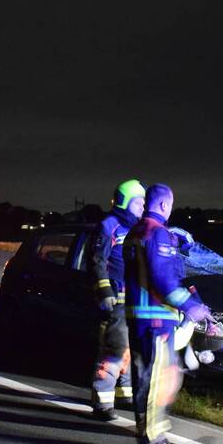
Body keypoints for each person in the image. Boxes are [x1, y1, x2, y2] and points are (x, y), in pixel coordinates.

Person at [124, 183, 213, 444]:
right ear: (164, 205)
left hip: (138, 315)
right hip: (156, 320)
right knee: (156, 379)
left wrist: (193, 302)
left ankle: (148, 431)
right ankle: (152, 440)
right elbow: (163, 280)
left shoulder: (134, 233)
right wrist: (191, 308)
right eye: (171, 204)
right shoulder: (158, 234)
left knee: (146, 376)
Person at [89, 179, 147, 421]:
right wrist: (104, 293)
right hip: (116, 302)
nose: (142, 207)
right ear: (124, 201)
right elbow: (97, 262)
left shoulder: (139, 229)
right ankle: (102, 403)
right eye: (138, 202)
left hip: (135, 302)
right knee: (113, 351)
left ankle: (124, 395)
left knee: (130, 351)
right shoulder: (109, 225)